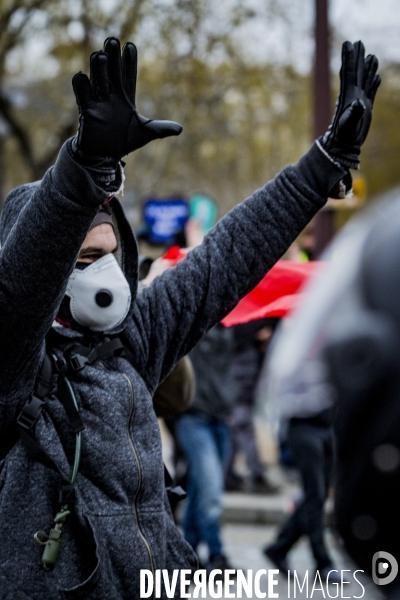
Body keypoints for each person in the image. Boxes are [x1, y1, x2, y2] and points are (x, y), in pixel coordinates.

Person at [0, 37, 379, 598]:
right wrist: (83, 170)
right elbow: (23, 284)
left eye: (109, 256)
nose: (104, 274)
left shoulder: (133, 341)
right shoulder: (13, 367)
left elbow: (228, 254)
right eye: (83, 260)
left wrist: (323, 165)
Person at [175, 323, 236, 574]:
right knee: (211, 490)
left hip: (221, 419)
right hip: (193, 419)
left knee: (200, 489)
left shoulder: (231, 328)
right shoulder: (192, 325)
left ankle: (187, 555)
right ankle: (217, 555)